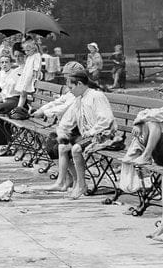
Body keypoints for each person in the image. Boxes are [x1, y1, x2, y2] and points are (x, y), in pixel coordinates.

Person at [47, 71, 116, 199]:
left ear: (79, 84)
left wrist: (91, 132)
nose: (70, 91)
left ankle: (81, 185)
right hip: (88, 136)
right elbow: (68, 120)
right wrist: (61, 130)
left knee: (76, 149)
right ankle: (62, 182)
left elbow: (106, 119)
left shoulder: (96, 96)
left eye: (71, 87)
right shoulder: (79, 99)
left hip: (104, 135)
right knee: (62, 147)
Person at [128, 82, 163, 167]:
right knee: (151, 121)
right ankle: (142, 155)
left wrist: (138, 121)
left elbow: (154, 115)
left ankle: (145, 155)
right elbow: (145, 112)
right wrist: (138, 124)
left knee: (153, 123)